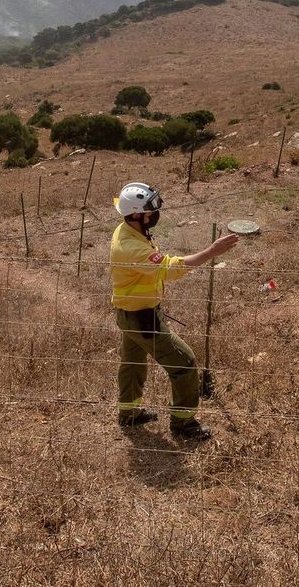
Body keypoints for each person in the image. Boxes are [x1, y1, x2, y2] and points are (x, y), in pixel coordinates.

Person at [110, 181, 240, 442]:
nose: (155, 214)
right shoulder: (132, 248)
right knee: (184, 363)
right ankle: (183, 424)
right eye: (150, 210)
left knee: (132, 364)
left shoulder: (128, 230)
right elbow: (171, 269)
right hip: (142, 318)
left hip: (128, 313)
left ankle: (129, 413)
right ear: (136, 214)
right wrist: (211, 251)